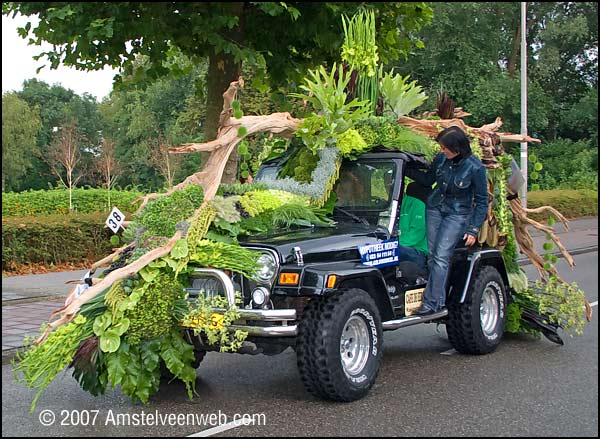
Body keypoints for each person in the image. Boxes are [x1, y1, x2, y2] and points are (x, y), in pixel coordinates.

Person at [405, 125, 488, 316]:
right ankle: (437, 298)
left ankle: (432, 303)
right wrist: (405, 165)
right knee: (433, 255)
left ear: (457, 148)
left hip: (457, 214)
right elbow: (427, 180)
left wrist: (473, 229)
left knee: (442, 256)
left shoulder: (475, 168)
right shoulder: (442, 159)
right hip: (435, 208)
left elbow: (482, 201)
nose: (442, 151)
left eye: (445, 148)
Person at [398, 181, 431, 273]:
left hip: (417, 251)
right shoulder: (389, 206)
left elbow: (416, 235)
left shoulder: (418, 205)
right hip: (399, 246)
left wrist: (391, 245)